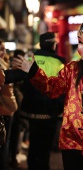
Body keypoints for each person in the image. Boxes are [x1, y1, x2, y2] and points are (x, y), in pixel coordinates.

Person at [12, 17, 83, 170]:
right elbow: (52, 88)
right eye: (81, 42)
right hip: (72, 139)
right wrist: (33, 72)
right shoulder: (71, 69)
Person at [19, 32, 65, 170]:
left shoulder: (30, 58)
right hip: (50, 110)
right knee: (46, 147)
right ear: (53, 44)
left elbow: (23, 84)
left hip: (32, 109)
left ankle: (32, 166)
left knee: (33, 143)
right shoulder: (60, 63)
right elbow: (62, 88)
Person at [0, 40, 18, 170]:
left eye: (4, 49)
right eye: (1, 49)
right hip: (4, 112)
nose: (3, 52)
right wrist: (13, 108)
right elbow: (8, 94)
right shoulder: (2, 69)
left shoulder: (4, 66)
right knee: (3, 148)